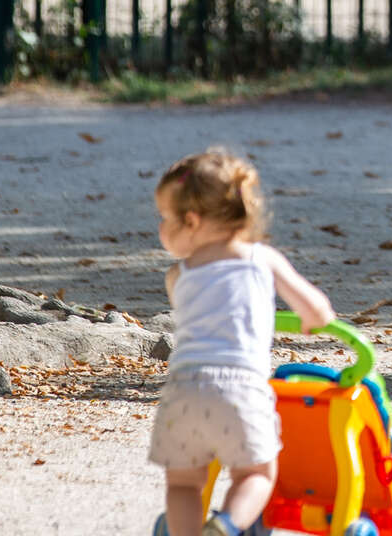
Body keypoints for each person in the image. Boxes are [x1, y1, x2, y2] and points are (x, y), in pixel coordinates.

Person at [149, 150, 335, 536]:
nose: (160, 228)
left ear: (192, 221)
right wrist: (309, 321)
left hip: (182, 392)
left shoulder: (177, 275)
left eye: (165, 218)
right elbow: (318, 310)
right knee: (257, 474)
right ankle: (228, 524)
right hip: (240, 390)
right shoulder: (261, 258)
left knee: (183, 485)